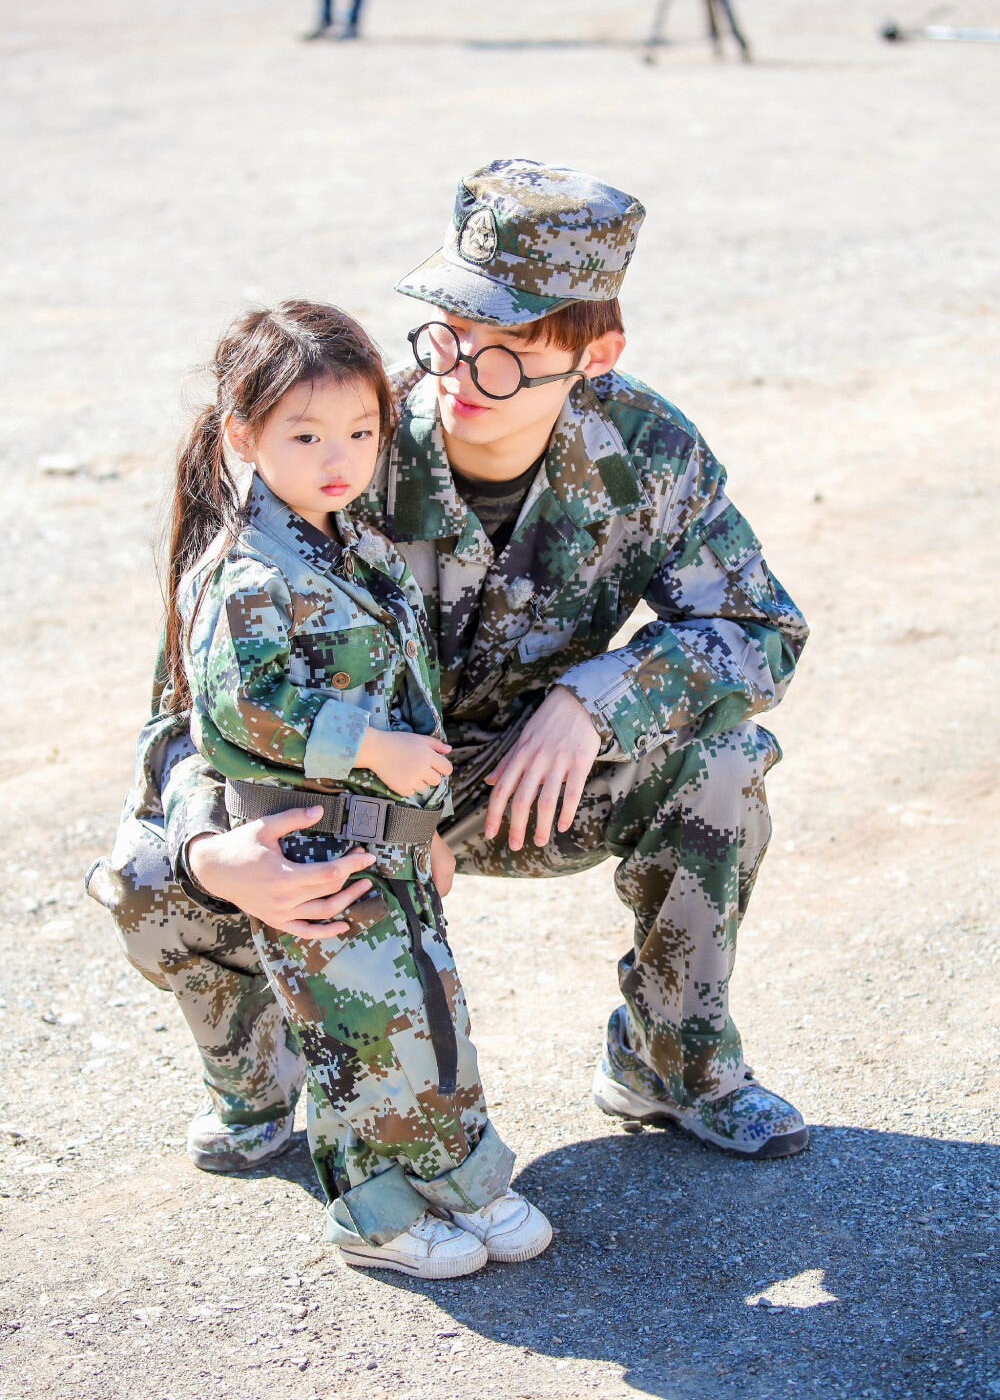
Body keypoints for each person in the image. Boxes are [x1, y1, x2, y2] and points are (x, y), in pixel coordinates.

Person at [89, 160, 810, 1214]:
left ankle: (671, 1059)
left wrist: (597, 698)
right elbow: (185, 711)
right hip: (343, 801)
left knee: (722, 763)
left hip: (525, 787)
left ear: (594, 355)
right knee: (154, 869)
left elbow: (759, 630)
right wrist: (214, 849)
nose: (461, 376)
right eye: (448, 334)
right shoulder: (330, 441)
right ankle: (256, 1078)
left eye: (511, 355)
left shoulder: (639, 451)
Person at [116, 300, 551, 1279]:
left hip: (381, 836)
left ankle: (460, 1178)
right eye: (304, 435)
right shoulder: (243, 573)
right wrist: (370, 751)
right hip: (303, 849)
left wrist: (424, 816)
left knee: (428, 1012)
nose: (336, 456)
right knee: (356, 1033)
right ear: (243, 436)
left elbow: (408, 684)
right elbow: (241, 709)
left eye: (359, 432)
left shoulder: (348, 541)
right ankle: (375, 1208)